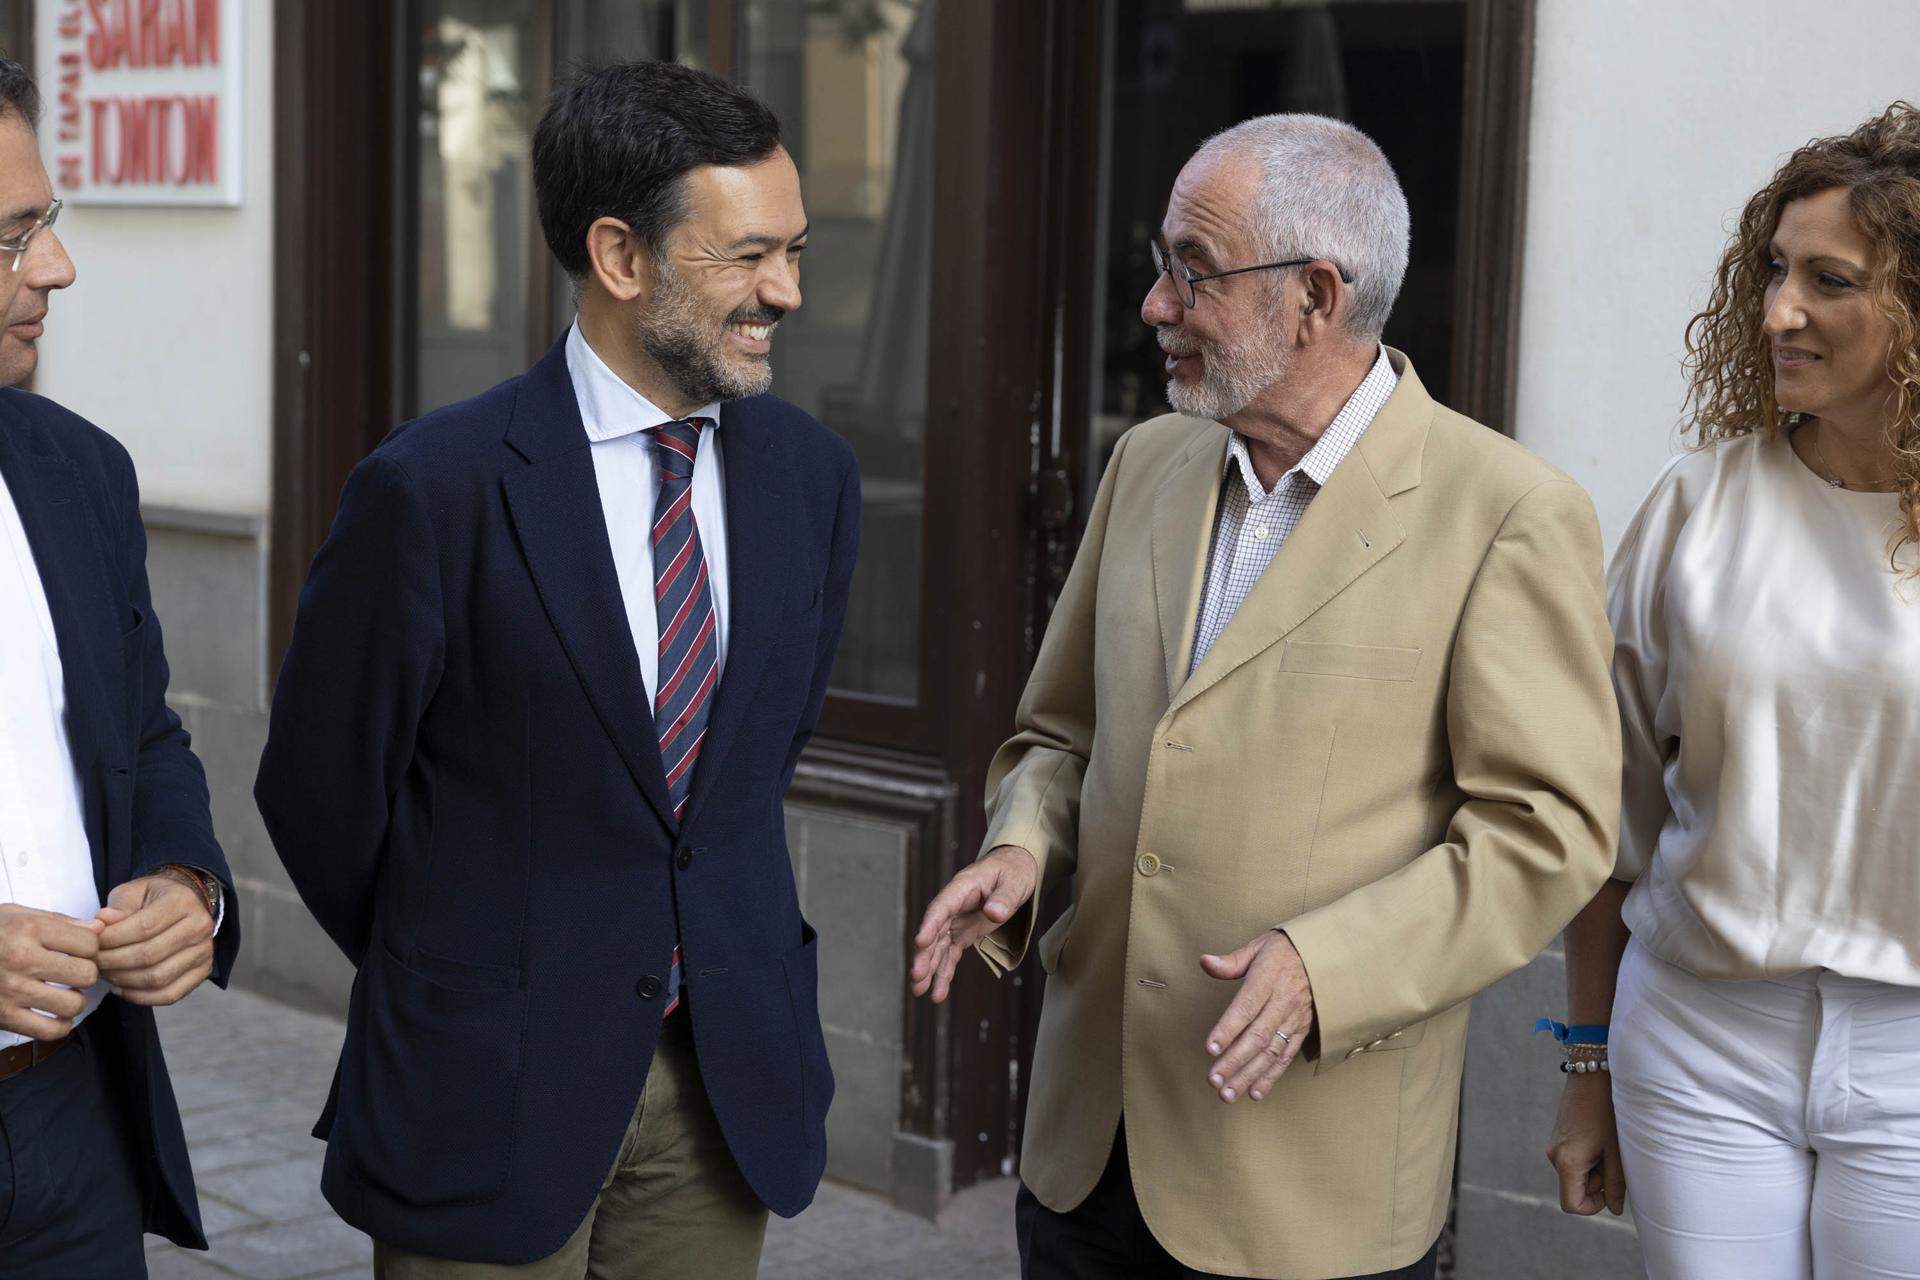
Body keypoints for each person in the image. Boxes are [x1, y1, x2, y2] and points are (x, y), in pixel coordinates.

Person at [911, 113, 1621, 1280]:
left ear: (1317, 296)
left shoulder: (1504, 510)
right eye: (1160, 264)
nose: (1152, 304)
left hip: (1307, 1184)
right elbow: (1060, 732)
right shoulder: (1147, 462)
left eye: (1193, 271)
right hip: (1087, 1155)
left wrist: (1327, 966)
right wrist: (1027, 843)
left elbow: (1548, 832)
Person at [254, 61, 856, 1279]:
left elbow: (755, 757)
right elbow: (321, 793)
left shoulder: (811, 476)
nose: (785, 291)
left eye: (794, 249)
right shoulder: (434, 488)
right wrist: (471, 961)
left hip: (720, 1090)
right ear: (621, 258)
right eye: (747, 257)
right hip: (485, 1090)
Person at [1547, 101, 1920, 1280]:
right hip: (1702, 1030)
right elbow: (1611, 823)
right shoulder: (1697, 508)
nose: (1778, 312)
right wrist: (1584, 1065)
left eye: (1829, 279)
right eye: (1772, 271)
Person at [0, 58, 238, 1278]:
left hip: (74, 1125)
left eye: (46, 224)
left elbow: (145, 736)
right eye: (10, 238)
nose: (55, 268)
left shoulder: (79, 471)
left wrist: (184, 880)